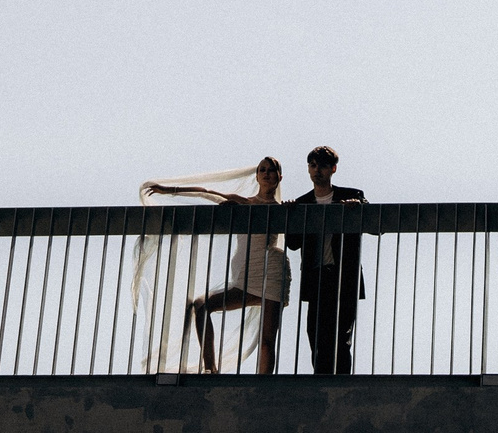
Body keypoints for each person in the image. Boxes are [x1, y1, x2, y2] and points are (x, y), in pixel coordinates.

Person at [147, 157, 289, 373]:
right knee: (202, 305)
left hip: (272, 270)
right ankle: (211, 369)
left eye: (272, 170)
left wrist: (292, 208)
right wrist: (168, 190)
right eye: (263, 170)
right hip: (246, 275)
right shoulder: (244, 203)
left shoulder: (282, 208)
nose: (267, 173)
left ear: (279, 177)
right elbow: (207, 192)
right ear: (257, 176)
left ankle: (263, 386)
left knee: (267, 339)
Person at [286, 145, 367, 375]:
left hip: (343, 276)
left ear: (332, 169)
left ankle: (339, 385)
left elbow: (375, 223)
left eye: (321, 165)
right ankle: (321, 383)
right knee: (316, 335)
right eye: (312, 165)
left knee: (341, 337)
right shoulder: (303, 203)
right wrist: (292, 215)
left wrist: (357, 208)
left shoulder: (351, 195)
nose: (316, 170)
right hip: (317, 276)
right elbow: (293, 243)